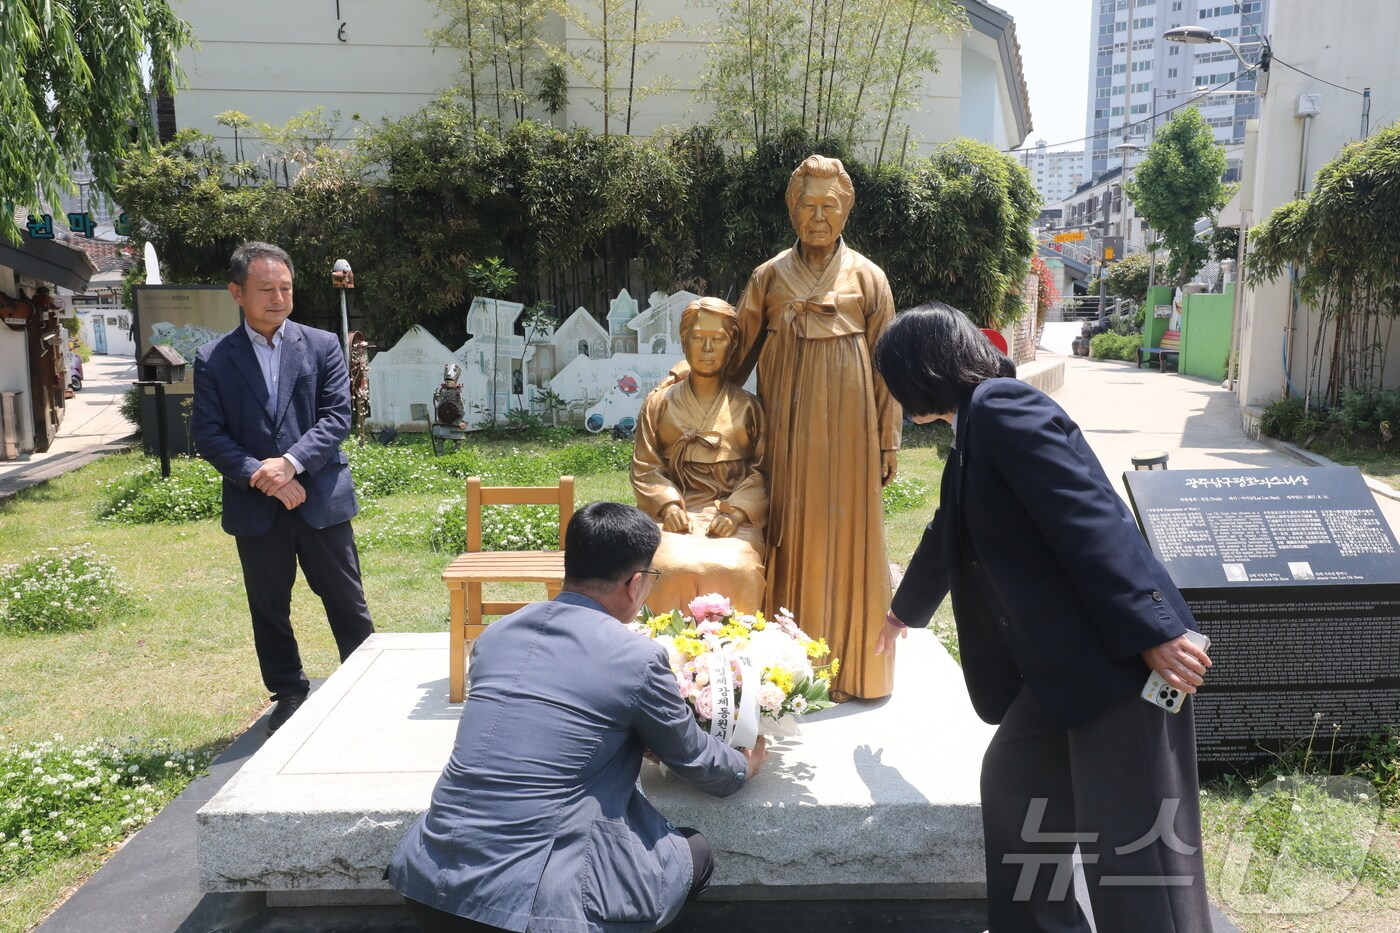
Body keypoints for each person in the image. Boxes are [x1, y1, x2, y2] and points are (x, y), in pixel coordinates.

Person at [872, 302, 1214, 932]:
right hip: (1064, 669)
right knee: (1016, 782)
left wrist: (1155, 630)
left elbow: (1088, 516)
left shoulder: (1004, 408)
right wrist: (901, 614)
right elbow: (948, 529)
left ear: (920, 372)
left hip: (1118, 660)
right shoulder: (975, 427)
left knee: (1138, 849)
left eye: (893, 379)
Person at [387, 501, 767, 933]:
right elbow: (701, 763)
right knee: (694, 851)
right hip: (527, 908)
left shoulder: (497, 635)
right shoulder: (636, 657)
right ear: (636, 583)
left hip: (426, 880)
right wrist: (745, 763)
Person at [727, 154, 901, 700]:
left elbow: (889, 368)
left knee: (851, 538)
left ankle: (854, 670)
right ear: (792, 211)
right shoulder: (769, 277)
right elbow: (733, 357)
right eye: (808, 205)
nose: (819, 216)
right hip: (786, 434)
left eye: (830, 205)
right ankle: (785, 668)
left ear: (846, 208)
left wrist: (888, 439)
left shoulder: (869, 278)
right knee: (789, 530)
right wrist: (689, 383)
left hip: (853, 439)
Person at [191, 241, 374, 734]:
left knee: (346, 598)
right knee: (269, 606)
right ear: (237, 292)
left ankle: (367, 684)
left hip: (320, 499)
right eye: (265, 289)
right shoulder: (213, 358)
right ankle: (289, 691)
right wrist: (262, 475)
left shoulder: (321, 344)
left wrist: (290, 466)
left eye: (285, 288)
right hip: (257, 506)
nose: (278, 298)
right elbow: (208, 433)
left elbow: (337, 417)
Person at [632, 297, 768, 613]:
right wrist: (667, 507)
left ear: (732, 345)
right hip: (675, 516)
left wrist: (735, 513)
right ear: (684, 341)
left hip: (730, 516)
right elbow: (645, 466)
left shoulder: (749, 408)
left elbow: (764, 471)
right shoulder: (659, 404)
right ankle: (667, 650)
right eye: (698, 337)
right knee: (666, 565)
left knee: (738, 568)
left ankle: (738, 654)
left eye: (718, 339)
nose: (707, 348)